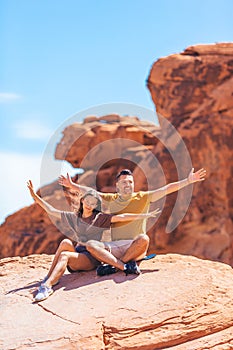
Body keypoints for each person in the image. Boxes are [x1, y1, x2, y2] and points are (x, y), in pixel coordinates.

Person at [27, 180, 160, 302]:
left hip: (91, 257)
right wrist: (34, 196)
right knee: (65, 243)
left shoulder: (99, 218)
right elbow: (51, 210)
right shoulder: (75, 217)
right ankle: (49, 278)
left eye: (93, 203)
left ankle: (47, 287)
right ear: (82, 201)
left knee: (65, 255)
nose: (90, 205)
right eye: (88, 201)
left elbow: (121, 217)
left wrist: (143, 215)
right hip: (78, 254)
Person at [59, 167, 206, 276]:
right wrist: (72, 185)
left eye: (130, 182)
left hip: (134, 246)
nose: (127, 184)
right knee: (92, 245)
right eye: (123, 182)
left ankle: (114, 267)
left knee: (144, 239)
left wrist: (188, 180)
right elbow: (92, 193)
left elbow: (167, 189)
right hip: (115, 247)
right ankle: (123, 265)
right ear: (117, 186)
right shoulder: (112, 199)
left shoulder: (143, 197)